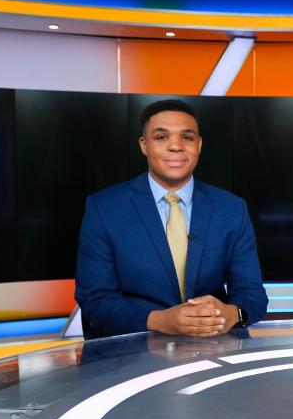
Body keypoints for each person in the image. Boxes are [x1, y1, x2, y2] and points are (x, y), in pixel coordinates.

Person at [75, 99, 268, 339]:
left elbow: (253, 295)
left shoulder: (231, 208)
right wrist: (160, 320)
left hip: (212, 352)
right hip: (130, 356)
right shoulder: (104, 208)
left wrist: (232, 313)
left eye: (187, 137)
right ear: (144, 145)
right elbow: (95, 300)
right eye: (161, 137)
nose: (176, 146)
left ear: (199, 145)